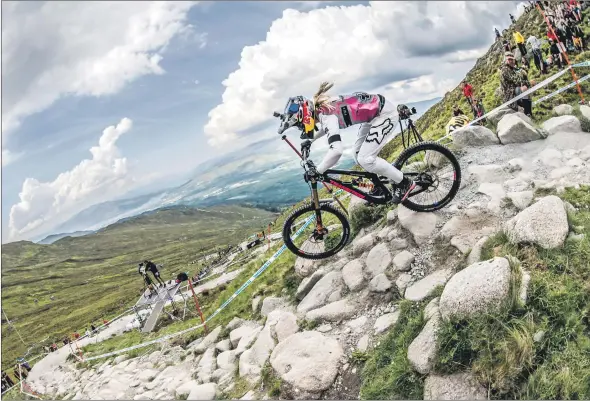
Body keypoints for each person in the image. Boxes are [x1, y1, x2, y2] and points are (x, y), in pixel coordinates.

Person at [277, 83, 416, 203]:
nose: (302, 127)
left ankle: (405, 182)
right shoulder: (321, 109)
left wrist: (318, 171)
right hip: (374, 115)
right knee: (357, 154)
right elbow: (327, 128)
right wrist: (310, 140)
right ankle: (379, 187)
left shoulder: (326, 115)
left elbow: (336, 151)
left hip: (385, 114)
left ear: (305, 117)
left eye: (300, 124)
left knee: (366, 159)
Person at [501, 52, 533, 118]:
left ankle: (529, 113)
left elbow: (523, 77)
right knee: (524, 89)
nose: (512, 61)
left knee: (526, 90)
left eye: (512, 59)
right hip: (509, 94)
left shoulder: (513, 69)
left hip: (516, 91)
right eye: (509, 59)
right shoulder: (505, 69)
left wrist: (524, 74)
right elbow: (516, 81)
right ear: (505, 60)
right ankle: (527, 113)